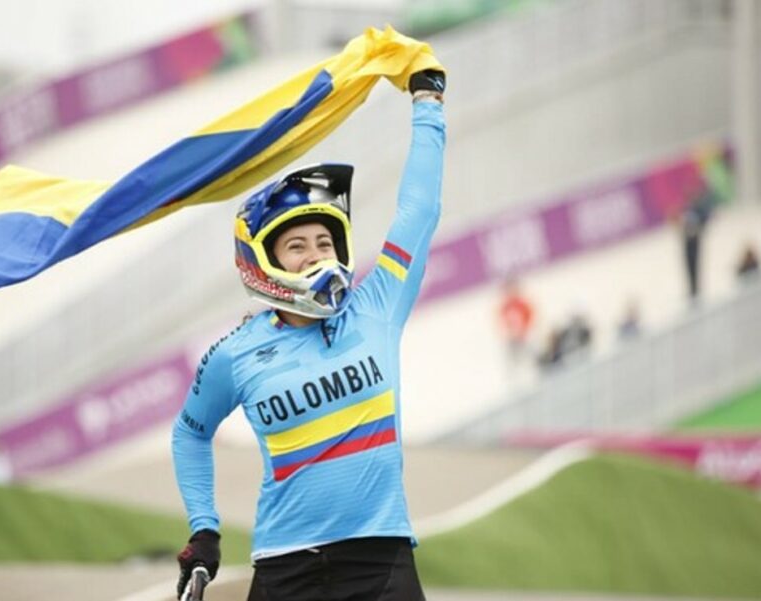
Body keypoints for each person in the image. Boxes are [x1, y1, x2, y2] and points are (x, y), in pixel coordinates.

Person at [171, 69, 446, 601]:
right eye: (296, 246)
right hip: (285, 570)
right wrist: (204, 528)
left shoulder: (378, 307)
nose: (317, 254)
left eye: (325, 241)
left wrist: (428, 101)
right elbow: (190, 432)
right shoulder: (235, 353)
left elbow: (421, 210)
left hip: (380, 560)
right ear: (264, 262)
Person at [497, 278, 534, 362]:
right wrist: (510, 334)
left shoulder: (522, 304)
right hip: (513, 339)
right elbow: (502, 324)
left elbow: (530, 317)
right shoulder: (505, 307)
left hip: (525, 336)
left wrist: (525, 332)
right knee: (513, 360)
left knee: (529, 357)